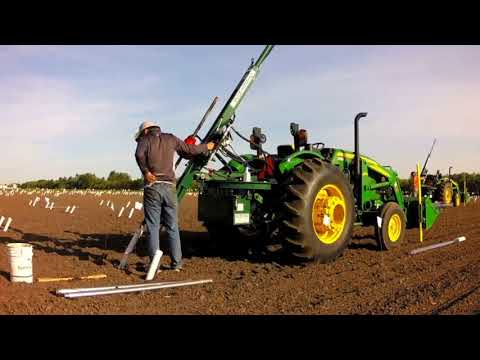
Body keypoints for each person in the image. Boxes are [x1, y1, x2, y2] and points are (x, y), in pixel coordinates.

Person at [134, 121, 215, 272]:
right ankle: (176, 264)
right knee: (172, 226)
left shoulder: (145, 140)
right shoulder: (171, 138)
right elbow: (190, 150)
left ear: (145, 131)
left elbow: (139, 154)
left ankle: (154, 266)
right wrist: (207, 147)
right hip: (170, 187)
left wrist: (145, 172)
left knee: (153, 227)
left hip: (153, 187)